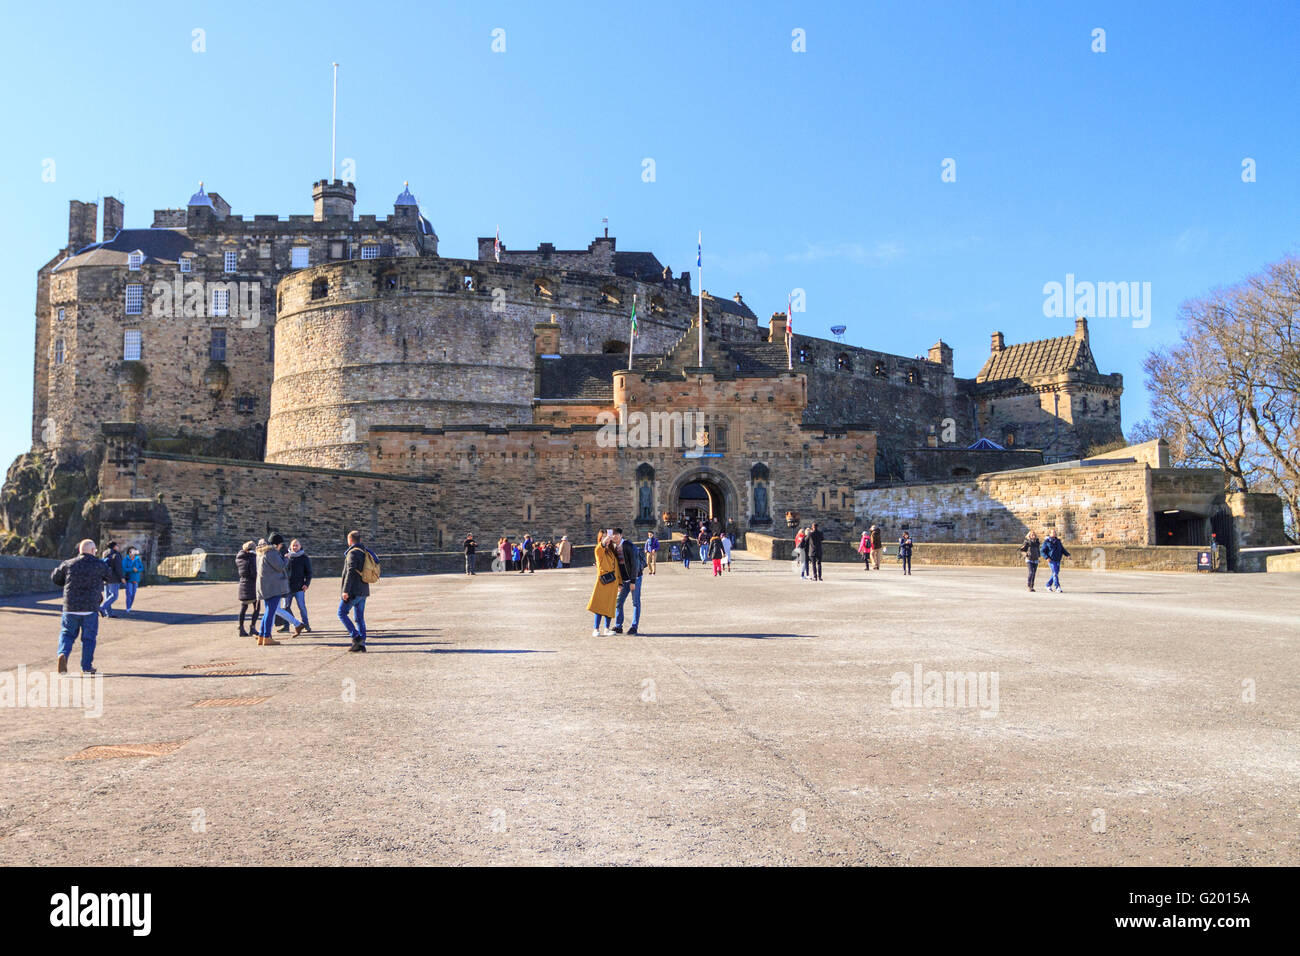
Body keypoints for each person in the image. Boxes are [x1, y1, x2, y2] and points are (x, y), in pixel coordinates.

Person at [51, 539, 111, 675]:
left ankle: (63, 655)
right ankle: (86, 667)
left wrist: (66, 583)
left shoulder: (69, 563)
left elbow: (55, 577)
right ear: (92, 550)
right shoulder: (99, 564)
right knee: (89, 638)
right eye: (95, 550)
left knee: (67, 634)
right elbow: (109, 576)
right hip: (90, 607)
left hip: (70, 606)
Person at [257, 534, 303, 645]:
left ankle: (262, 636)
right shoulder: (272, 552)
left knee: (268, 611)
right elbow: (281, 566)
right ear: (277, 544)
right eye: (280, 545)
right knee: (270, 612)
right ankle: (267, 637)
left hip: (266, 586)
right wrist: (286, 558)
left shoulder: (263, 552)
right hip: (273, 587)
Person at [340, 530, 375, 651]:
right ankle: (361, 645)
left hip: (354, 591)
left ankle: (356, 637)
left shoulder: (352, 553)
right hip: (363, 589)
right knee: (359, 618)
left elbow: (350, 572)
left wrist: (345, 590)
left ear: (349, 541)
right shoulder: (364, 552)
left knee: (341, 613)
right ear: (360, 540)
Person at [587, 530, 622, 636]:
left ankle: (606, 628)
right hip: (603, 582)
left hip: (612, 583)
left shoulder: (611, 551)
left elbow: (617, 568)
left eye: (607, 538)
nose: (606, 540)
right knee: (599, 606)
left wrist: (620, 582)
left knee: (610, 606)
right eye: (603, 538)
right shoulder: (599, 550)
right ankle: (596, 629)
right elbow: (599, 549)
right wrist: (604, 542)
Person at [611, 528, 644, 635]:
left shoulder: (628, 546)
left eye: (617, 535)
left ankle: (634, 626)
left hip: (635, 578)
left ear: (621, 535)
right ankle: (618, 626)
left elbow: (635, 564)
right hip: (623, 580)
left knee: (635, 603)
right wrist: (619, 582)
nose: (615, 537)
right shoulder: (614, 547)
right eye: (613, 535)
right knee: (618, 602)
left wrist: (633, 581)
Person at [282, 539, 312, 632]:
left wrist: (306, 584)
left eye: (297, 545)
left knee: (302, 607)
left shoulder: (304, 558)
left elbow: (309, 572)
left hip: (299, 587)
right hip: (287, 587)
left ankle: (306, 625)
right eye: (293, 545)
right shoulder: (286, 557)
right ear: (290, 546)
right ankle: (286, 626)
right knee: (286, 607)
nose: (295, 547)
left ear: (300, 546)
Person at [235, 541, 261, 637]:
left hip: (243, 584)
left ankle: (241, 627)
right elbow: (254, 572)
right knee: (257, 607)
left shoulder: (240, 558)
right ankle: (252, 627)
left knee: (244, 607)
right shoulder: (252, 558)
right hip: (252, 585)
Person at [98, 541, 124, 618]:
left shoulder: (104, 553)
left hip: (105, 577)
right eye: (117, 546)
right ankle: (102, 607)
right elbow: (118, 568)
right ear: (114, 547)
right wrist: (122, 577)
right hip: (114, 578)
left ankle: (108, 613)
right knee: (114, 596)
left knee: (108, 596)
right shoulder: (116, 554)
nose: (118, 547)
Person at [122, 546, 144, 613]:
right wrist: (132, 569)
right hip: (129, 579)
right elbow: (124, 568)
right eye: (131, 551)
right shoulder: (125, 559)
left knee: (133, 594)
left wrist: (137, 570)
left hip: (136, 579)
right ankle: (128, 608)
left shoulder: (137, 559)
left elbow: (142, 568)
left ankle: (130, 607)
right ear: (128, 552)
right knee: (129, 594)